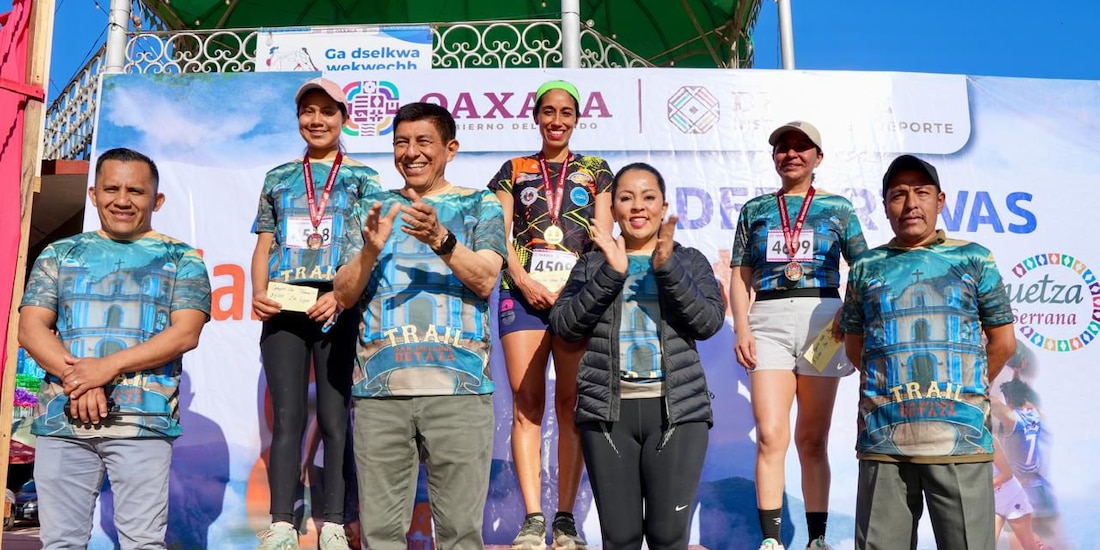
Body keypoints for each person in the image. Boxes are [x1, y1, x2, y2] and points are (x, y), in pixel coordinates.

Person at [17, 147, 212, 549]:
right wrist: (83, 381)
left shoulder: (183, 259)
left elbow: (184, 334)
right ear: (93, 195)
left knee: (142, 542)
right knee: (61, 543)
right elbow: (31, 328)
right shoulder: (59, 254)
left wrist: (105, 368)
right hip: (62, 422)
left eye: (135, 191)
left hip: (143, 424)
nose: (122, 200)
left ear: (156, 199)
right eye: (111, 188)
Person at [333, 102, 506, 550]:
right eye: (400, 143)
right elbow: (344, 294)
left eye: (423, 141)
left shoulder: (478, 202)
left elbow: (486, 279)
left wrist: (440, 239)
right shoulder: (371, 208)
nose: (411, 152)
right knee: (380, 535)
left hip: (460, 392)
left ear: (450, 148)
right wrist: (370, 251)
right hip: (380, 395)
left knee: (461, 535)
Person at [840, 154, 1017, 550]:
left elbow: (1004, 343)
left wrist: (963, 388)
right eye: (898, 194)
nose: (910, 204)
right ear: (885, 206)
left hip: (960, 440)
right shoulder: (868, 266)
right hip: (884, 441)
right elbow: (856, 347)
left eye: (921, 192)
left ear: (941, 200)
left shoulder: (973, 258)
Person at [549, 163, 725, 550]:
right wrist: (611, 273)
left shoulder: (690, 260)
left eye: (648, 198)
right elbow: (564, 324)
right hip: (608, 414)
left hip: (678, 413)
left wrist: (667, 269)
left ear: (663, 207)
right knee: (621, 537)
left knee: (667, 536)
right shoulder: (593, 263)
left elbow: (709, 322)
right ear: (613, 209)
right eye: (626, 198)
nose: (637, 207)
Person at [250, 77, 381, 550]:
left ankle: (334, 522)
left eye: (328, 111)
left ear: (344, 118)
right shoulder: (278, 177)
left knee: (334, 417)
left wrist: (343, 297)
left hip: (337, 303)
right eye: (308, 111)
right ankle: (282, 522)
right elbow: (265, 244)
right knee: (286, 419)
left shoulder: (364, 178)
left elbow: (371, 247)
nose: (317, 120)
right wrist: (257, 292)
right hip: (284, 304)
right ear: (299, 118)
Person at [728, 121, 867, 550]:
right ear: (774, 158)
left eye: (801, 148)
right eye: (782, 148)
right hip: (767, 315)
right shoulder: (755, 210)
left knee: (812, 438)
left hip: (823, 319)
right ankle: (771, 540)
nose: (790, 154)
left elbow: (862, 268)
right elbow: (739, 274)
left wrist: (848, 309)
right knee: (771, 434)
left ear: (817, 158)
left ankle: (817, 538)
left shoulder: (839, 209)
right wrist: (742, 326)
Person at [487, 79, 613, 550]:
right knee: (528, 405)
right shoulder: (513, 170)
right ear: (535, 116)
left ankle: (564, 519)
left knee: (572, 408)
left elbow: (602, 236)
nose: (556, 120)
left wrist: (579, 290)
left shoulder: (596, 170)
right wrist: (522, 280)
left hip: (577, 299)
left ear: (577, 119)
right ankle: (532, 518)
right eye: (548, 111)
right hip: (522, 295)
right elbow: (497, 233)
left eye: (566, 112)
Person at [994, 376, 1064, 548]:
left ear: (1008, 399)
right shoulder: (1036, 415)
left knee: (1017, 539)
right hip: (1035, 484)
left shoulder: (1011, 419)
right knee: (1027, 538)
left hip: (1019, 485)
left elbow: (993, 404)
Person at [992, 437, 1042, 550]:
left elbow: (1007, 474)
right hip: (994, 506)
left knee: (1029, 546)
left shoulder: (989, 440)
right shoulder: (955, 447)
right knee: (986, 546)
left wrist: (984, 487)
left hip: (1013, 499)